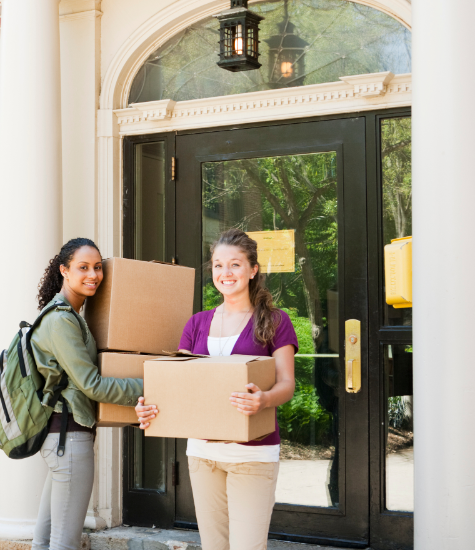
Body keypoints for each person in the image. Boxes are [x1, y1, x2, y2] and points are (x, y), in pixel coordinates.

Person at [135, 229, 298, 550]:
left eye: (235, 265)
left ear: (253, 270)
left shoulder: (275, 321)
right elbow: (178, 385)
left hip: (253, 454)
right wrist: (149, 407)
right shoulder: (196, 324)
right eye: (218, 265)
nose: (226, 273)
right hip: (203, 454)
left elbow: (287, 384)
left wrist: (263, 400)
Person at [30, 238, 144, 550]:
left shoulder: (69, 315)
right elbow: (91, 384)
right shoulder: (62, 320)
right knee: (63, 544)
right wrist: (152, 386)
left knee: (44, 541)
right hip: (68, 441)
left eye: (97, 268)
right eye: (83, 267)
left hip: (60, 439)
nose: (93, 274)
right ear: (64, 270)